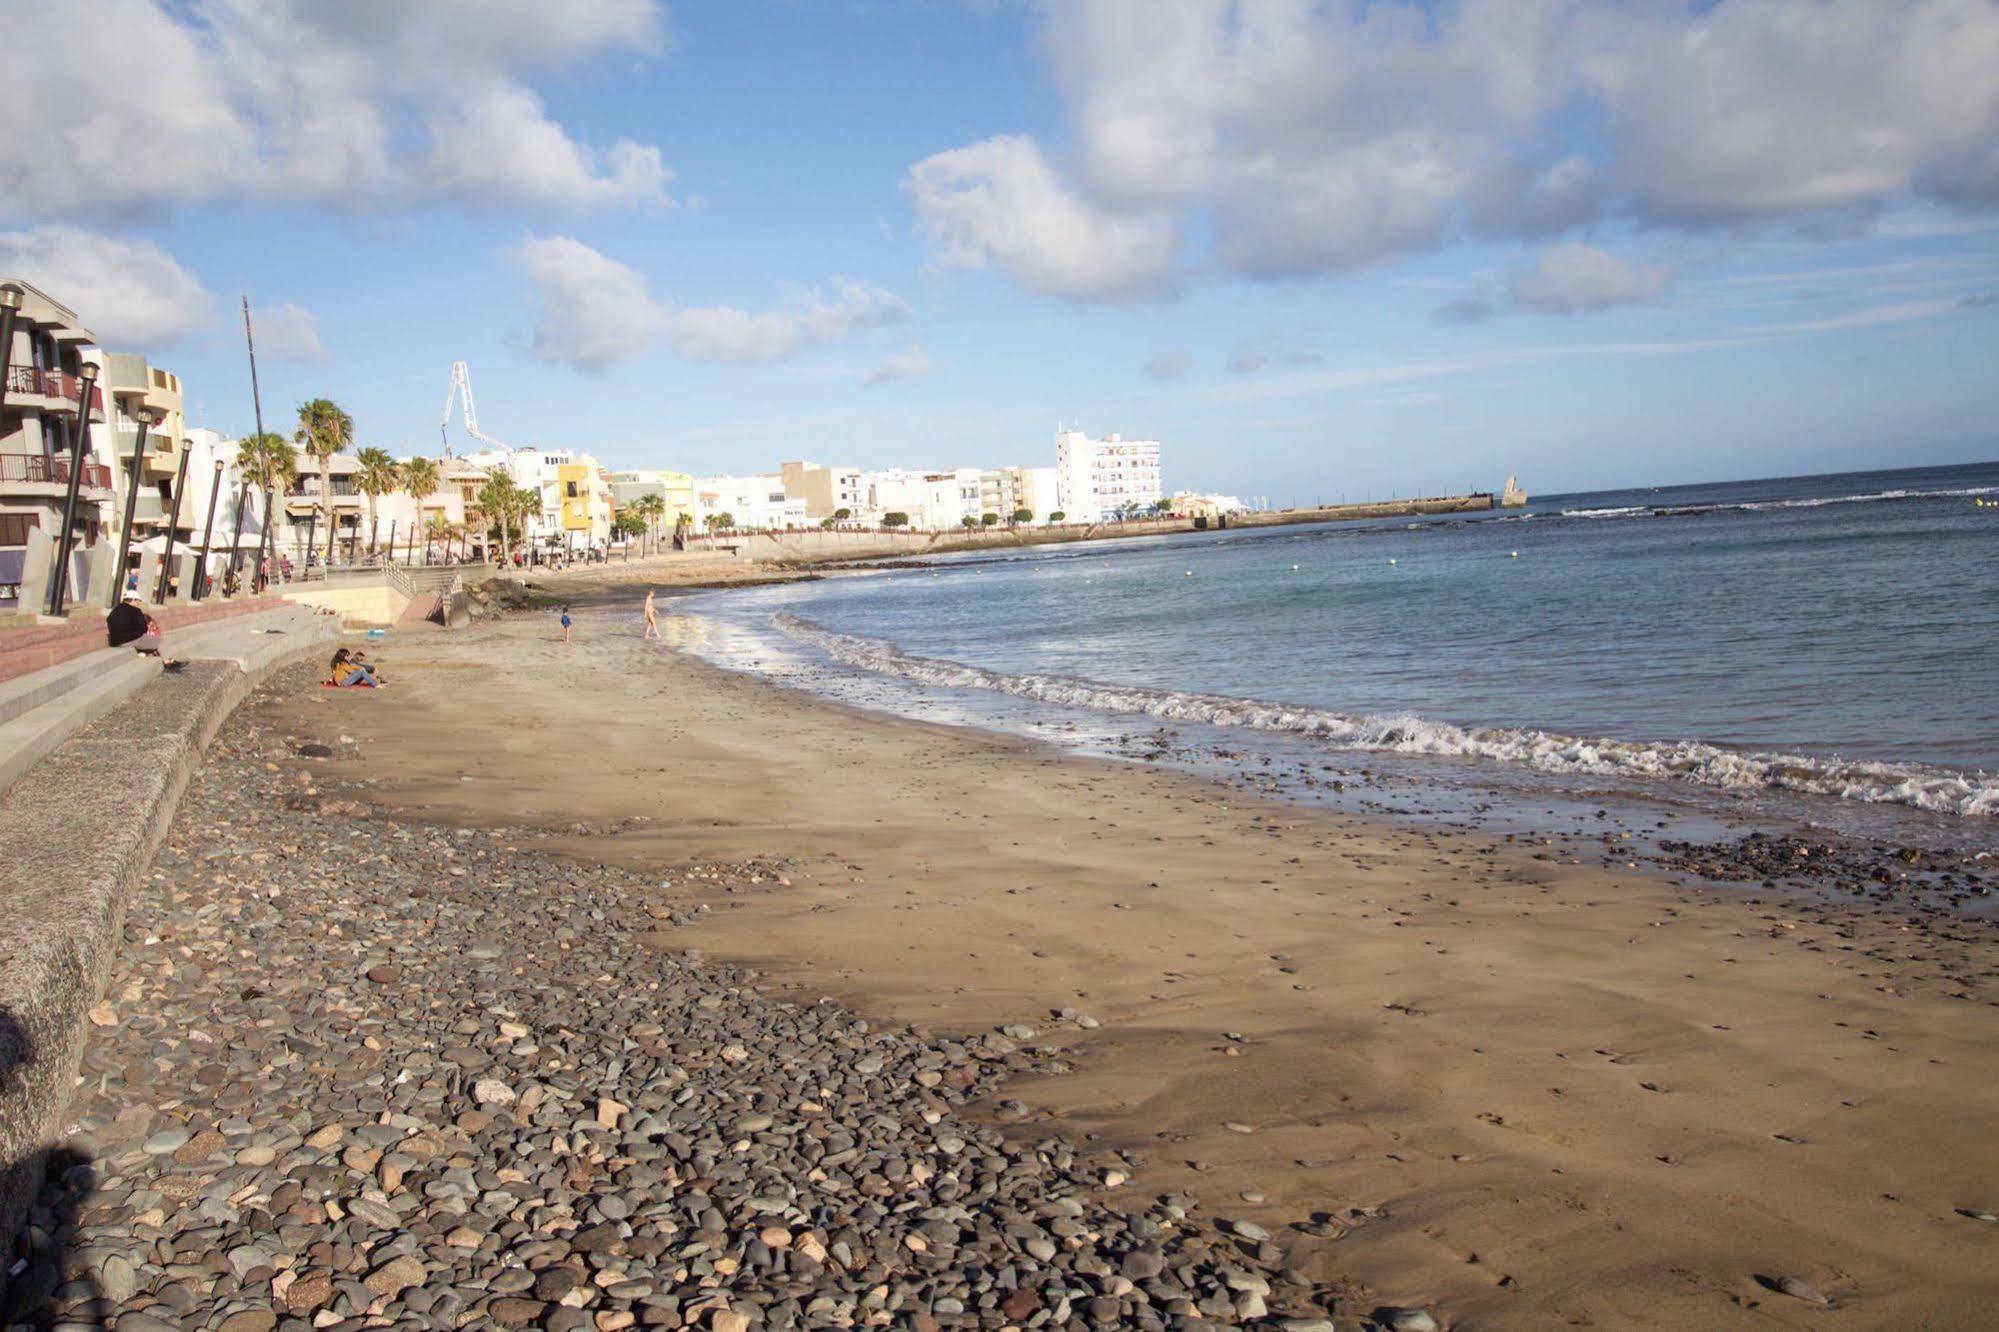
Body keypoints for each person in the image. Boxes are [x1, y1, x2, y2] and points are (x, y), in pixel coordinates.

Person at [108, 597, 183, 668]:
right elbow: (144, 628)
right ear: (133, 600)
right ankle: (167, 662)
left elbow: (109, 621)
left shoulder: (115, 610)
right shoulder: (135, 611)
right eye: (137, 601)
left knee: (151, 641)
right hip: (130, 641)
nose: (138, 603)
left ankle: (168, 659)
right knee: (160, 641)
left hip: (116, 641)